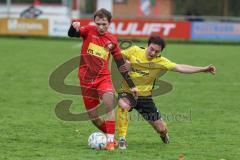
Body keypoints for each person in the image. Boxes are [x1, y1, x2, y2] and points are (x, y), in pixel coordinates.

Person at [117, 35, 216, 149]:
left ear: (161, 52)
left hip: (145, 97)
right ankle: (122, 139)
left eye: (157, 51)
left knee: (161, 128)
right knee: (123, 105)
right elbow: (117, 55)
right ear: (147, 46)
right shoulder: (134, 50)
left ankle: (163, 134)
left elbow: (180, 68)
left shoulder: (161, 62)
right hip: (127, 91)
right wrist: (125, 63)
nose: (153, 53)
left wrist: (203, 69)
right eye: (151, 49)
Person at [67, 8, 137, 151]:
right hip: (85, 80)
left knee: (109, 103)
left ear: (109, 23)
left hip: (103, 78)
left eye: (104, 24)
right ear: (95, 22)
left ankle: (110, 142)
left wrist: (132, 85)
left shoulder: (112, 40)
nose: (101, 27)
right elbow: (72, 34)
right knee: (94, 117)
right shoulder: (88, 31)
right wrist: (73, 26)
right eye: (98, 23)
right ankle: (113, 138)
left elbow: (120, 63)